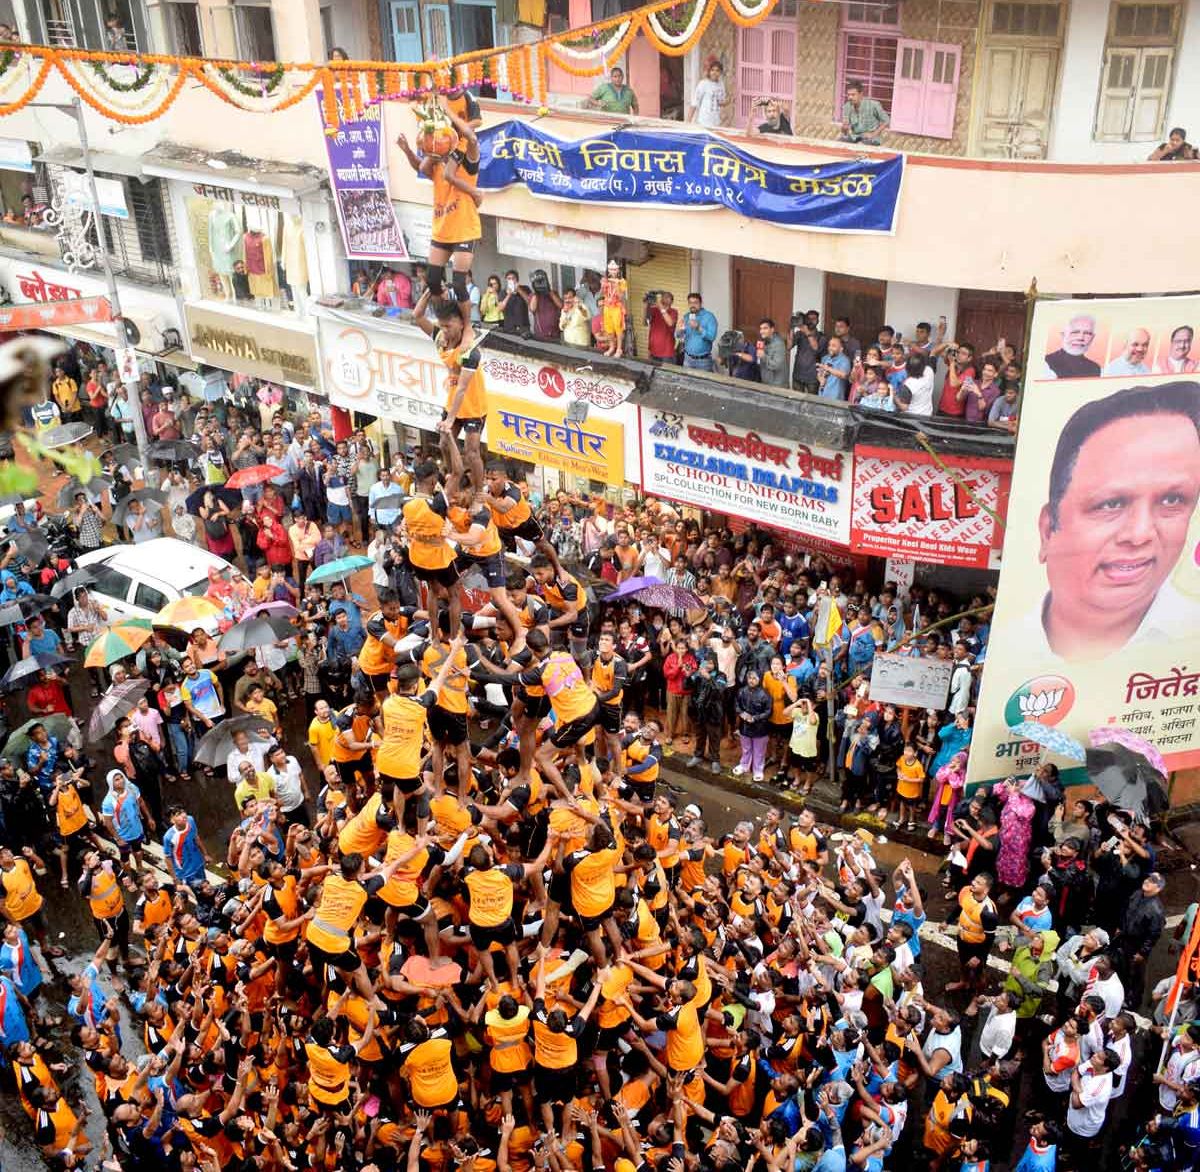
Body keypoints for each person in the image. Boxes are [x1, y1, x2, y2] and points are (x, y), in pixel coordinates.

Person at [1024, 381, 1200, 661]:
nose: (1141, 534)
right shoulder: (1008, 652)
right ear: (1048, 530)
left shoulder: (1191, 643)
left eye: (1171, 500)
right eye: (1111, 504)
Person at [1042, 314, 1101, 379]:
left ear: (1092, 338)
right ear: (1063, 334)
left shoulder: (1094, 368)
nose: (1080, 338)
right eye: (1075, 332)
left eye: (1087, 333)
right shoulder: (1046, 362)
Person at [840, 80, 888, 144]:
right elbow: (845, 132)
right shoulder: (847, 107)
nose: (850, 97)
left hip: (871, 139)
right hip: (855, 137)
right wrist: (844, 128)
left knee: (860, 145)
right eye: (848, 95)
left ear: (861, 94)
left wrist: (873, 134)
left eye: (853, 95)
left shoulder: (873, 105)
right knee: (840, 142)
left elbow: (886, 120)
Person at [680, 292, 718, 371]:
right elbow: (679, 336)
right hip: (687, 359)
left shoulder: (709, 317)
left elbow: (712, 337)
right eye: (690, 302)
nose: (692, 305)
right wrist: (679, 329)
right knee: (686, 383)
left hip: (703, 361)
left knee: (703, 383)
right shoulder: (686, 316)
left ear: (700, 303)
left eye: (695, 302)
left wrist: (698, 328)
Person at [690, 57, 729, 127]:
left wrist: (728, 102)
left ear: (720, 73)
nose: (714, 73)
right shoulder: (703, 84)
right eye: (712, 70)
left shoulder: (721, 84)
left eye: (717, 71)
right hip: (704, 122)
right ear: (709, 71)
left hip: (716, 122)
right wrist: (687, 122)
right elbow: (694, 103)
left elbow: (720, 102)